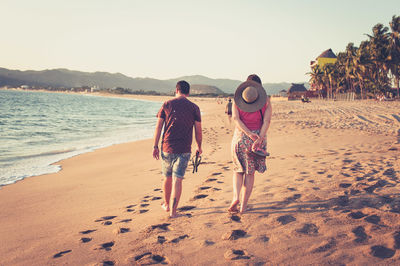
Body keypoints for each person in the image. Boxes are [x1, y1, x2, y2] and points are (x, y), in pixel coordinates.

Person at [153, 80, 202, 218]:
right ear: (188, 92)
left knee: (167, 177)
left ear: (176, 90)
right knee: (177, 179)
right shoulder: (194, 107)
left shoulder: (167, 104)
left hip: (167, 147)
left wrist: (155, 146)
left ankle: (167, 205)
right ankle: (173, 212)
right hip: (184, 149)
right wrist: (199, 146)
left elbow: (158, 127)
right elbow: (198, 131)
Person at [228, 74, 272, 214]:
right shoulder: (266, 101)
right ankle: (243, 206)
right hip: (257, 139)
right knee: (250, 173)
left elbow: (235, 119)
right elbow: (267, 121)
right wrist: (259, 138)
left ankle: (235, 198)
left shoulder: (237, 100)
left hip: (240, 137)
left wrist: (247, 133)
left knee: (238, 170)